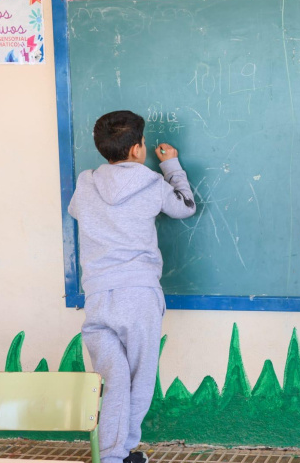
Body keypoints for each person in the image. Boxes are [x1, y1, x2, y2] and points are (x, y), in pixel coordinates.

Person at [69, 110, 197, 463]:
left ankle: (111, 456)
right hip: (138, 294)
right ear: (138, 149)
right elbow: (185, 207)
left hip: (98, 295)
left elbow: (78, 211)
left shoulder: (86, 182)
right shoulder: (152, 183)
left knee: (112, 379)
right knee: (139, 378)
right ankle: (122, 451)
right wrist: (171, 166)